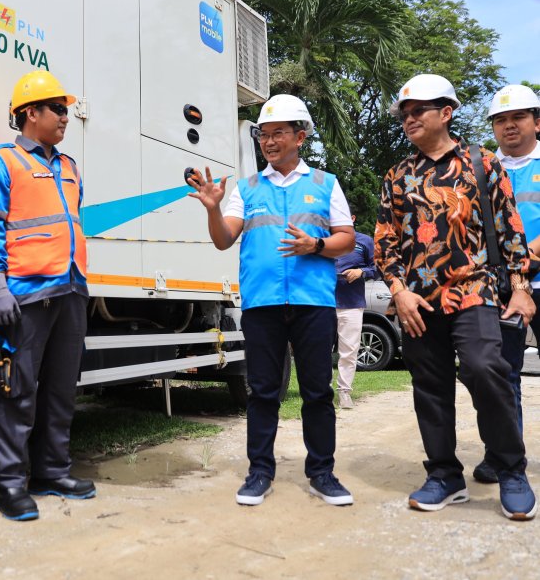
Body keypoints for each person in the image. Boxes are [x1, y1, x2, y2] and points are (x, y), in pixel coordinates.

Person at [375, 73, 537, 520]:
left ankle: (511, 469)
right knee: (429, 385)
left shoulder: (483, 163)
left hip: (473, 289)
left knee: (487, 369)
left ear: (446, 113)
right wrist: (398, 291)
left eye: (418, 111)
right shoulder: (398, 175)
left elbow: (510, 230)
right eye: (404, 114)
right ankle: (444, 475)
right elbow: (385, 240)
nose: (409, 119)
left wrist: (521, 288)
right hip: (416, 300)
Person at [187, 94, 356, 507]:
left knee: (316, 391)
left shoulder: (325, 184)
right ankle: (259, 471)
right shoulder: (247, 188)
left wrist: (315, 245)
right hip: (262, 305)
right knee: (263, 391)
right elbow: (224, 238)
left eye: (278, 132)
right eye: (264, 134)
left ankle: (322, 473)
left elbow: (346, 239)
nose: (269, 140)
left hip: (312, 303)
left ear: (300, 136)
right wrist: (212, 209)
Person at [0, 70, 94, 521]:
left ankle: (52, 470)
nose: (66, 117)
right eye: (57, 109)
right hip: (24, 295)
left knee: (61, 390)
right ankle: (8, 484)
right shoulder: (0, 162)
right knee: (14, 390)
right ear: (30, 114)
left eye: (66, 110)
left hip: (71, 289)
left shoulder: (69, 166)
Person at [472, 84, 540, 484]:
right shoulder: (478, 168)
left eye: (517, 117)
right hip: (497, 289)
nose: (509, 126)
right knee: (500, 376)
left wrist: (524, 259)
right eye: (500, 120)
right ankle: (501, 455)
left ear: (536, 121)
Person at [333, 211, 376, 409]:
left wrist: (361, 272)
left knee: (349, 350)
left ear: (353, 218)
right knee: (319, 349)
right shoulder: (324, 239)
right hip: (323, 302)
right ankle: (322, 392)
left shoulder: (364, 241)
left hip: (351, 303)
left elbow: (379, 268)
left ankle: (344, 392)